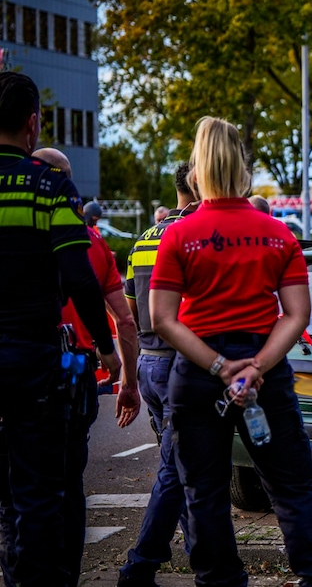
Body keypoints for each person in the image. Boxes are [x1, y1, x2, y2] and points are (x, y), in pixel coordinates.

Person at [149, 116, 312, 585]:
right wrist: (255, 366)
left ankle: (220, 580)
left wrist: (220, 366)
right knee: (293, 487)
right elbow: (297, 315)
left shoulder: (178, 234)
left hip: (198, 375)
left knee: (204, 492)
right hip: (265, 373)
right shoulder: (277, 233)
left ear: (197, 172)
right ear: (243, 167)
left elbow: (162, 319)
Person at [0, 71, 120, 586]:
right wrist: (109, 349)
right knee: (39, 495)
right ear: (33, 125)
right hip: (32, 357)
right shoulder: (49, 186)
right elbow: (79, 275)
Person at [22, 147, 141, 587]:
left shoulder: (22, 233)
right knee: (70, 483)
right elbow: (124, 318)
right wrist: (127, 377)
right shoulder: (91, 241)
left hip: (23, 365)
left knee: (18, 487)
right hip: (77, 377)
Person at [118, 162, 199, 587]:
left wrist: (129, 376)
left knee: (177, 460)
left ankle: (197, 549)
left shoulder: (143, 239)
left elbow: (129, 313)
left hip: (149, 361)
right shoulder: (194, 233)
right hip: (179, 361)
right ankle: (140, 563)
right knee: (175, 464)